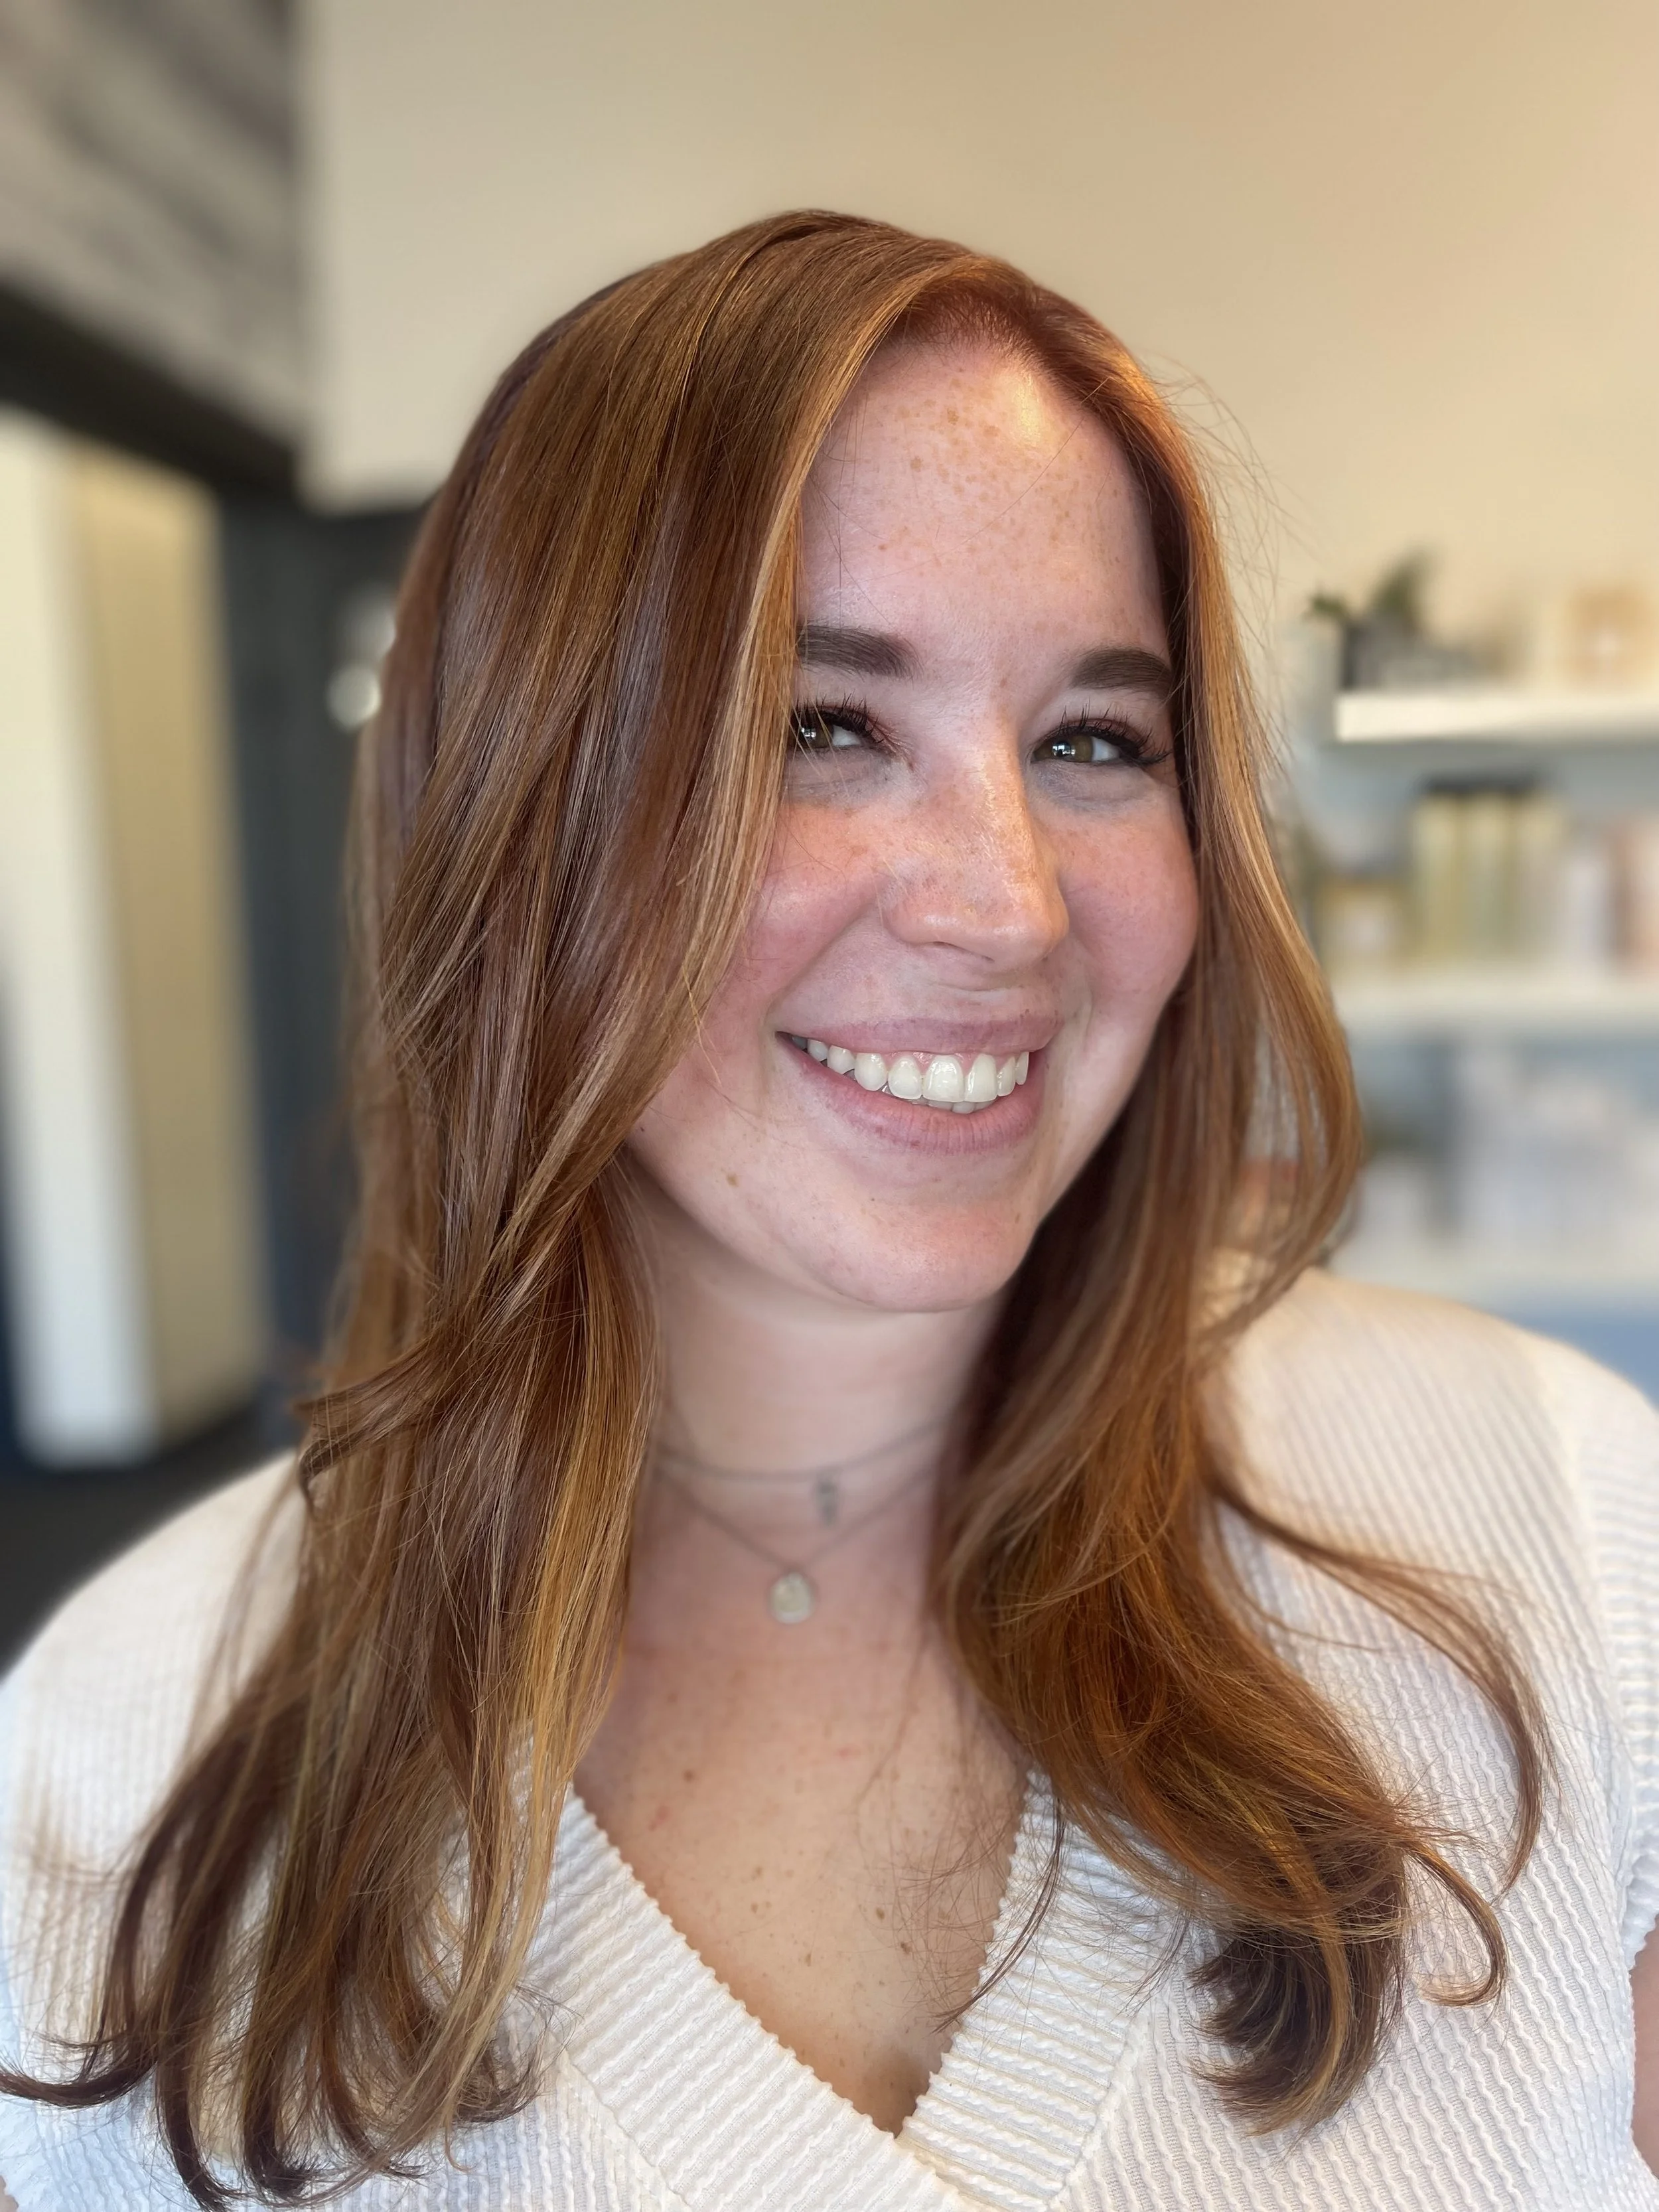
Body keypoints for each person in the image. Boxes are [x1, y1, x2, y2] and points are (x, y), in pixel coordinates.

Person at [1, 210, 1658, 2212]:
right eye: (821, 726)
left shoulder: (1549, 1526)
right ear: (520, 816)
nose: (1007, 903)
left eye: (1093, 741)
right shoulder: (109, 1778)